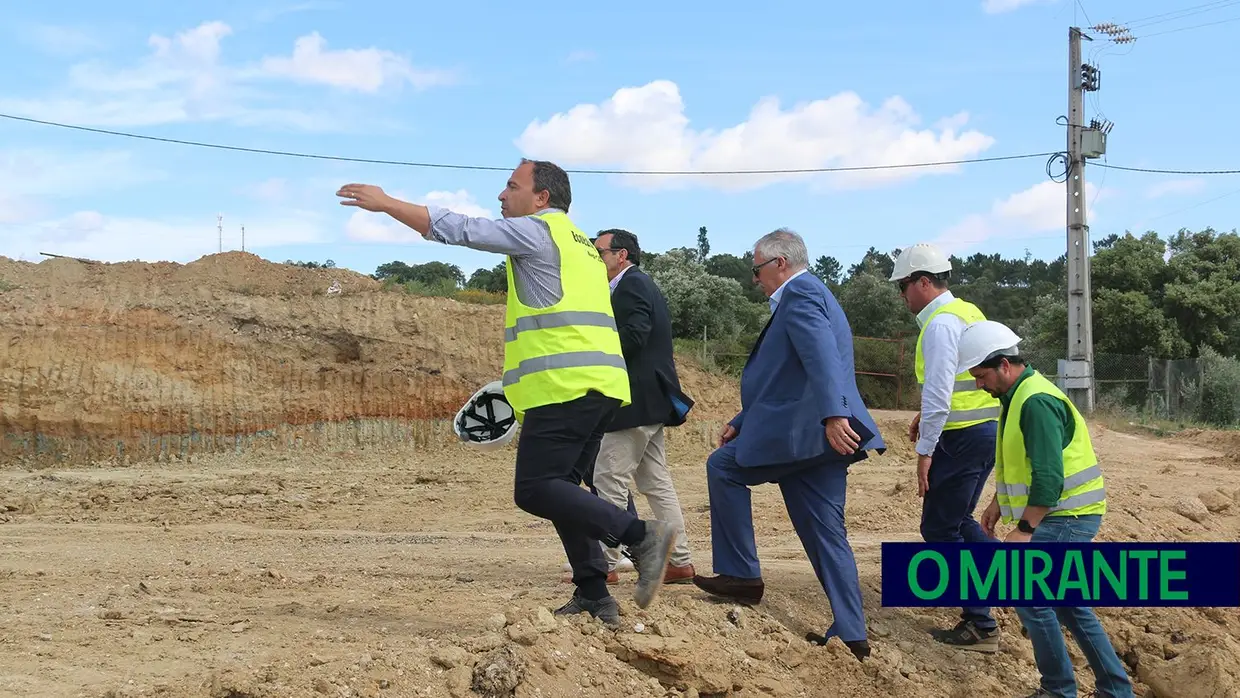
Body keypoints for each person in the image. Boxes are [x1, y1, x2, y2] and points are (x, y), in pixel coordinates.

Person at [335, 159, 678, 626]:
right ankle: (595, 593)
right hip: (599, 386)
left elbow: (462, 230)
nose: (501, 195)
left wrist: (387, 203)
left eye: (512, 186)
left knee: (536, 489)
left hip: (565, 386)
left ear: (542, 198)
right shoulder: (580, 244)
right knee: (562, 489)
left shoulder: (540, 231)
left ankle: (641, 536)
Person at [690, 228, 885, 662]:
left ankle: (741, 576)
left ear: (780, 263)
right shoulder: (815, 294)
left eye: (756, 268)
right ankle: (852, 633)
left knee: (723, 467)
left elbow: (821, 356)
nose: (754, 278)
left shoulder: (800, 295)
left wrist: (834, 414)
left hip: (806, 435)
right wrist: (743, 420)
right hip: (819, 439)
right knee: (827, 533)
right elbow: (788, 374)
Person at [956, 320, 1132, 698]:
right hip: (1063, 514)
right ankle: (1115, 690)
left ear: (1004, 364)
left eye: (981, 375)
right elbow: (1023, 462)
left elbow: (1049, 477)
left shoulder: (1035, 401)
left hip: (1066, 515)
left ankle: (1058, 689)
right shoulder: (1018, 395)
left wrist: (1025, 529)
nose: (978, 384)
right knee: (1068, 604)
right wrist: (998, 502)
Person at [888, 242, 1003, 652]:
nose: (902, 294)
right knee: (957, 521)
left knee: (939, 528)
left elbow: (939, 392)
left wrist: (925, 450)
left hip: (962, 437)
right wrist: (929, 415)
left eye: (903, 285)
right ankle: (1008, 585)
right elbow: (963, 383)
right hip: (985, 430)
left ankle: (982, 622)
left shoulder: (938, 324)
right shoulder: (968, 312)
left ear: (923, 282)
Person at [586, 228, 696, 585]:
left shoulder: (631, 284)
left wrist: (594, 354)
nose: (594, 257)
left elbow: (634, 335)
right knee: (656, 482)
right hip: (651, 399)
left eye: (598, 251)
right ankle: (679, 562)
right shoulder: (638, 284)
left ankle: (605, 564)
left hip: (632, 398)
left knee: (607, 477)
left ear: (621, 255)